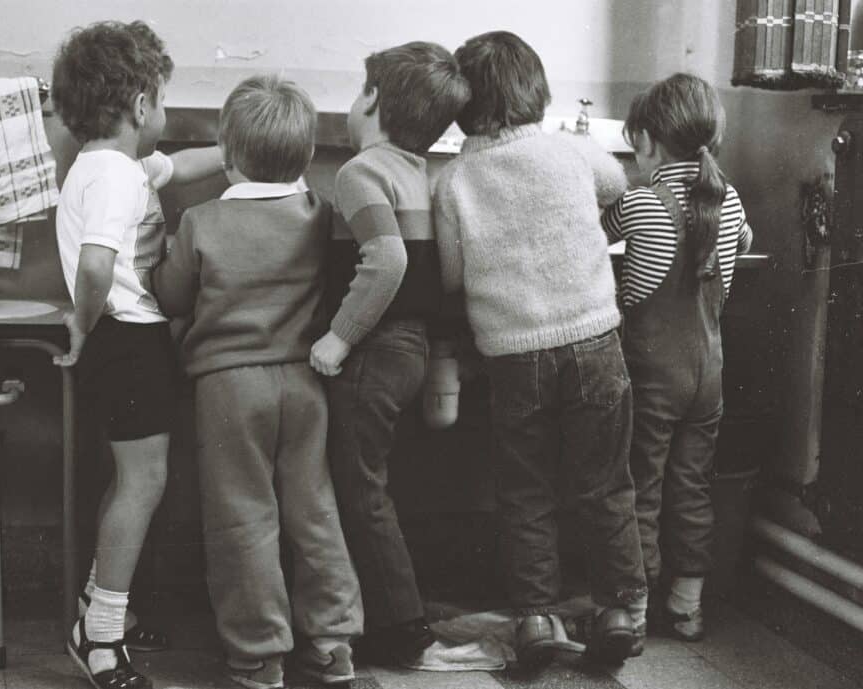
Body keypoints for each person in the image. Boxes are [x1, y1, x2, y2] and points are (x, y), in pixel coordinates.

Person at [433, 31, 646, 671]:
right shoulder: (570, 151)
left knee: (526, 493)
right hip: (594, 340)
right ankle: (621, 610)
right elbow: (618, 183)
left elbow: (449, 276)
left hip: (513, 355)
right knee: (607, 483)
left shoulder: (455, 180)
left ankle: (536, 619)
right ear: (537, 90)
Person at [153, 74, 363, 689]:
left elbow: (171, 297)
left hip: (228, 387)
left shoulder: (200, 222)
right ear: (304, 155)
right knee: (314, 510)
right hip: (304, 384)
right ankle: (330, 645)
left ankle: (259, 653)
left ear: (229, 152)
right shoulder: (316, 213)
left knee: (243, 518)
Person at [51, 20, 223, 689]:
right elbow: (96, 267)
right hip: (126, 337)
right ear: (142, 106)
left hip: (122, 340)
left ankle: (101, 607)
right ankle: (99, 640)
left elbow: (178, 166)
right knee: (144, 484)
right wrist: (81, 324)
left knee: (131, 482)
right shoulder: (117, 177)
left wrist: (237, 152)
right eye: (162, 99)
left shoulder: (102, 165)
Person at [308, 41, 470, 666]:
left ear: (372, 98)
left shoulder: (361, 172)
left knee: (360, 490)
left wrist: (337, 336)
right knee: (376, 485)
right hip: (415, 350)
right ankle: (391, 618)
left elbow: (387, 260)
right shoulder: (420, 174)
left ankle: (404, 632)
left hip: (373, 350)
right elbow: (446, 271)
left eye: (358, 91)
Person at [601, 72, 753, 645]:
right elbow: (727, 278)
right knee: (691, 484)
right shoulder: (730, 198)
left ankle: (632, 608)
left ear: (645, 141)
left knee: (640, 483)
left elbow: (627, 290)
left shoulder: (642, 201)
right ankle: (688, 606)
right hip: (708, 370)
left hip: (652, 371)